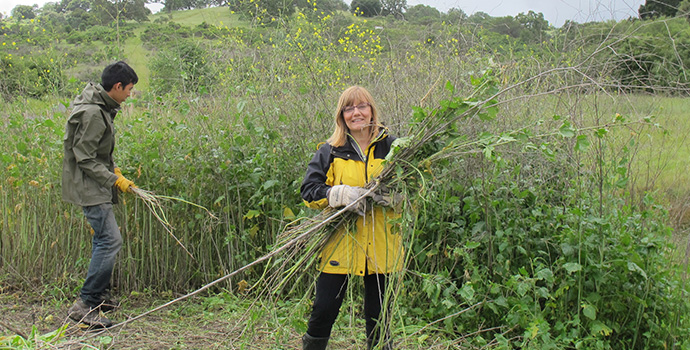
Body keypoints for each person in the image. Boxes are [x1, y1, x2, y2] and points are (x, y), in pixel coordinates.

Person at [300, 86, 403, 350]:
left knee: (379, 319)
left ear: (372, 110)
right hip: (340, 245)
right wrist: (339, 194)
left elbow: (416, 185)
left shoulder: (394, 148)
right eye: (348, 108)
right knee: (323, 311)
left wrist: (397, 196)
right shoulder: (331, 150)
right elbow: (309, 191)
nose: (356, 113)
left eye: (362, 106)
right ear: (341, 115)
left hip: (383, 246)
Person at [62, 61, 138, 328]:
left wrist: (112, 167)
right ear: (117, 86)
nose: (130, 94)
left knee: (103, 241)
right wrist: (114, 179)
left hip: (94, 183)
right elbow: (84, 157)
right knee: (110, 241)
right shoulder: (94, 113)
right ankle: (85, 304)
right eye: (129, 89)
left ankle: (98, 297)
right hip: (90, 187)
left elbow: (96, 151)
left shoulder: (100, 106)